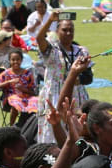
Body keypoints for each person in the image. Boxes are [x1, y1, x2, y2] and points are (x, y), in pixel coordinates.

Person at [35, 11, 89, 143]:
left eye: (71, 30)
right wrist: (50, 20)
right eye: (64, 30)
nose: (68, 33)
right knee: (53, 127)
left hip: (77, 94)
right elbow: (39, 39)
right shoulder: (51, 50)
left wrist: (79, 78)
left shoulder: (81, 51)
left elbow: (89, 77)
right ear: (57, 31)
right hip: (54, 94)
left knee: (76, 127)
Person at [0, 50, 38, 125]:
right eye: (13, 60)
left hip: (26, 97)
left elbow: (33, 92)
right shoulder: (6, 73)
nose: (15, 62)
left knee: (36, 101)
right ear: (9, 61)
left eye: (18, 59)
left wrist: (24, 89)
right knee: (16, 102)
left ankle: (25, 125)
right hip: (10, 99)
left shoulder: (27, 74)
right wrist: (8, 82)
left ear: (21, 60)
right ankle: (12, 126)